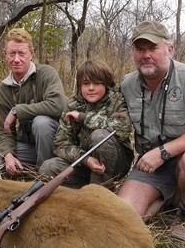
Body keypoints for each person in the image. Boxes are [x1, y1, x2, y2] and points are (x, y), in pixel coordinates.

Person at [118, 21, 185, 241]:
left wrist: (163, 152)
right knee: (124, 218)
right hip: (150, 166)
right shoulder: (127, 84)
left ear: (170, 49)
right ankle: (168, 196)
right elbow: (111, 120)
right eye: (140, 49)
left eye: (153, 48)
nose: (146, 55)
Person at [0, 28, 67, 175]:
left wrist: (17, 111)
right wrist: (8, 155)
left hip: (55, 146)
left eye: (22, 53)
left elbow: (58, 105)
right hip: (28, 147)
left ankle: (45, 175)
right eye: (12, 54)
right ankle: (27, 168)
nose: (16, 59)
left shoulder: (46, 74)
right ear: (6, 54)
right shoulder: (3, 89)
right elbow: (4, 131)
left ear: (31, 53)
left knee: (41, 123)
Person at [39, 59, 134, 190]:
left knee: (100, 136)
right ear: (79, 86)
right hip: (85, 164)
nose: (91, 88)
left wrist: (82, 117)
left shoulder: (116, 99)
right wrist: (86, 159)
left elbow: (123, 128)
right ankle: (85, 190)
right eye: (85, 83)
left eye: (97, 83)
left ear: (106, 84)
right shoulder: (73, 104)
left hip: (115, 164)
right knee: (47, 168)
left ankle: (99, 193)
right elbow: (60, 144)